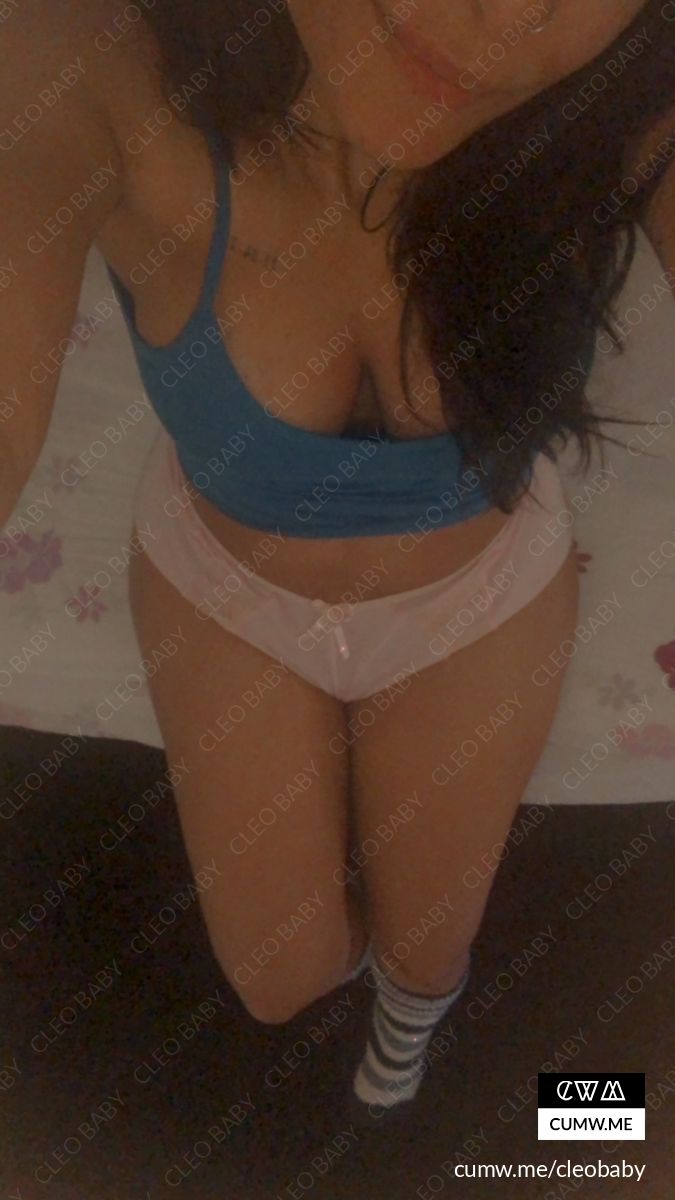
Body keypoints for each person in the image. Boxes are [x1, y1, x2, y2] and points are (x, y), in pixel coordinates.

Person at [2, 0, 673, 1122]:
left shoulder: (625, 103)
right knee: (281, 981)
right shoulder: (93, 63)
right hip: (226, 588)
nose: (510, 14)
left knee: (427, 951)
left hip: (475, 599)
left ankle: (410, 1037)